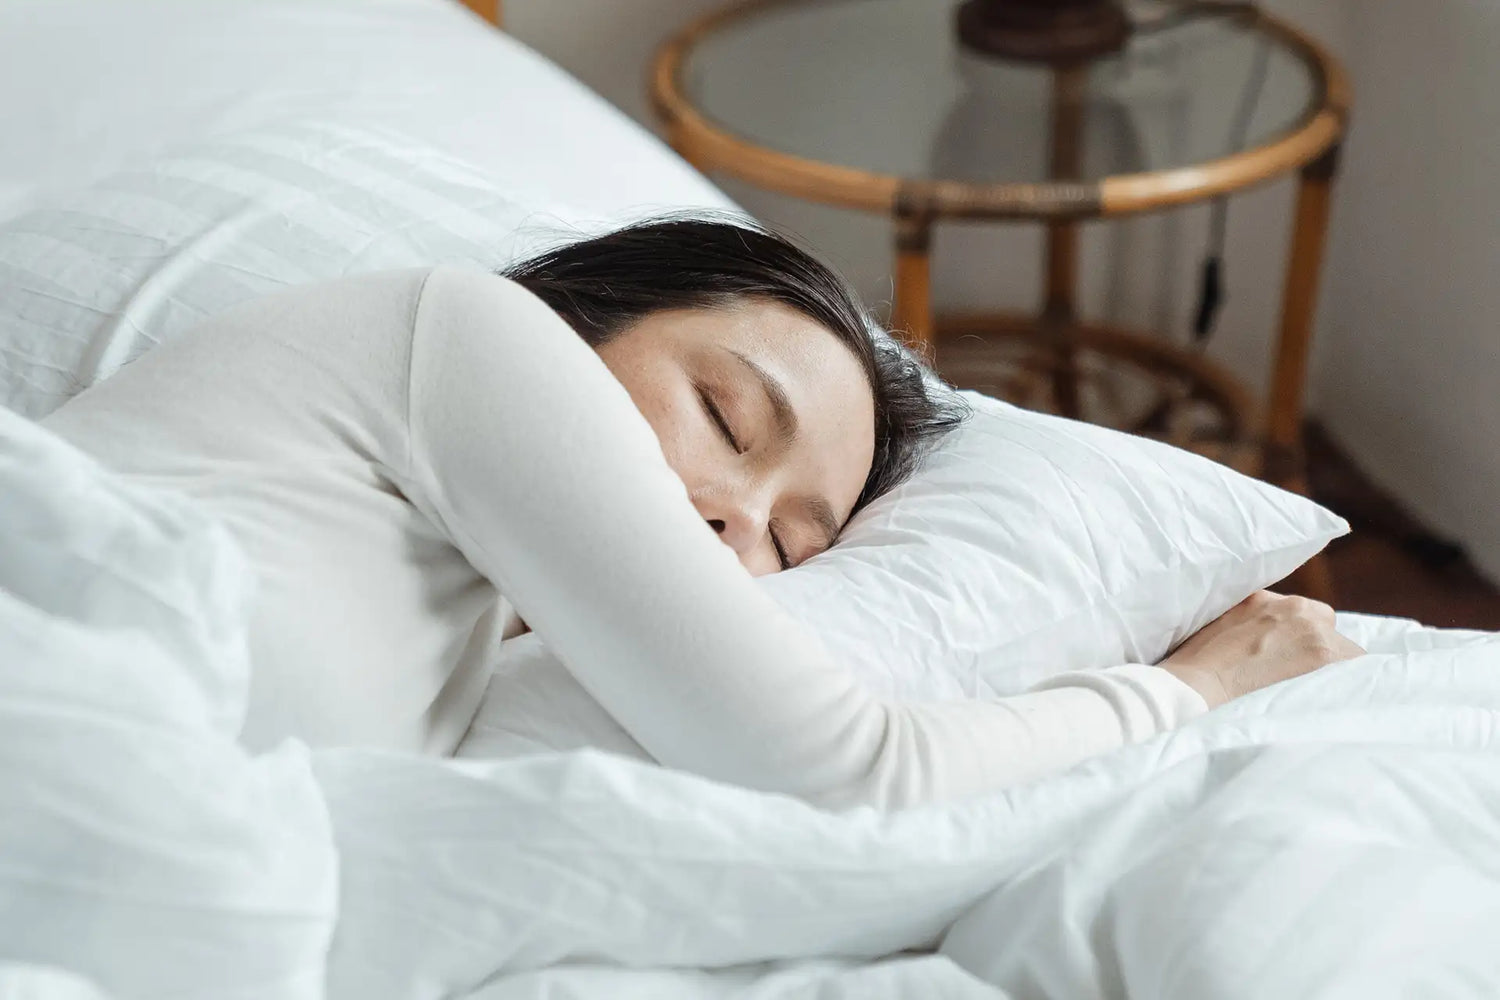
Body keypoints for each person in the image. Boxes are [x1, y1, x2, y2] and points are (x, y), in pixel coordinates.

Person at [42, 218, 1363, 810]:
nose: (736, 523)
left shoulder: (458, 629)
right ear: (579, 313)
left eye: (792, 543)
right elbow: (855, 769)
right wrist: (1185, 691)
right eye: (730, 421)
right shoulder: (467, 332)